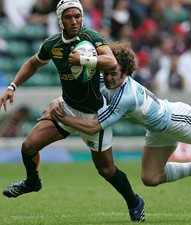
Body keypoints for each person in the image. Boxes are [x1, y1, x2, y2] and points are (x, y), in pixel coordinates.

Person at [0, 1, 144, 222]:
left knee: (106, 170)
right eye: (69, 17)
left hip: (94, 114)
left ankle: (134, 201)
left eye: (78, 16)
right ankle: (32, 182)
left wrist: (84, 59)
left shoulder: (91, 37)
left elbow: (110, 61)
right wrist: (12, 86)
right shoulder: (53, 44)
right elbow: (33, 63)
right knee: (28, 147)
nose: (75, 20)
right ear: (61, 20)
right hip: (66, 108)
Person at [51, 42, 191, 199]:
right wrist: (60, 100)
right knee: (150, 178)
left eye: (113, 74)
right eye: (106, 73)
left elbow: (93, 127)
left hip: (178, 120)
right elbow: (83, 91)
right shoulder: (107, 79)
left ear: (125, 72)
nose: (108, 78)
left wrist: (65, 118)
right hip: (157, 130)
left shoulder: (127, 96)